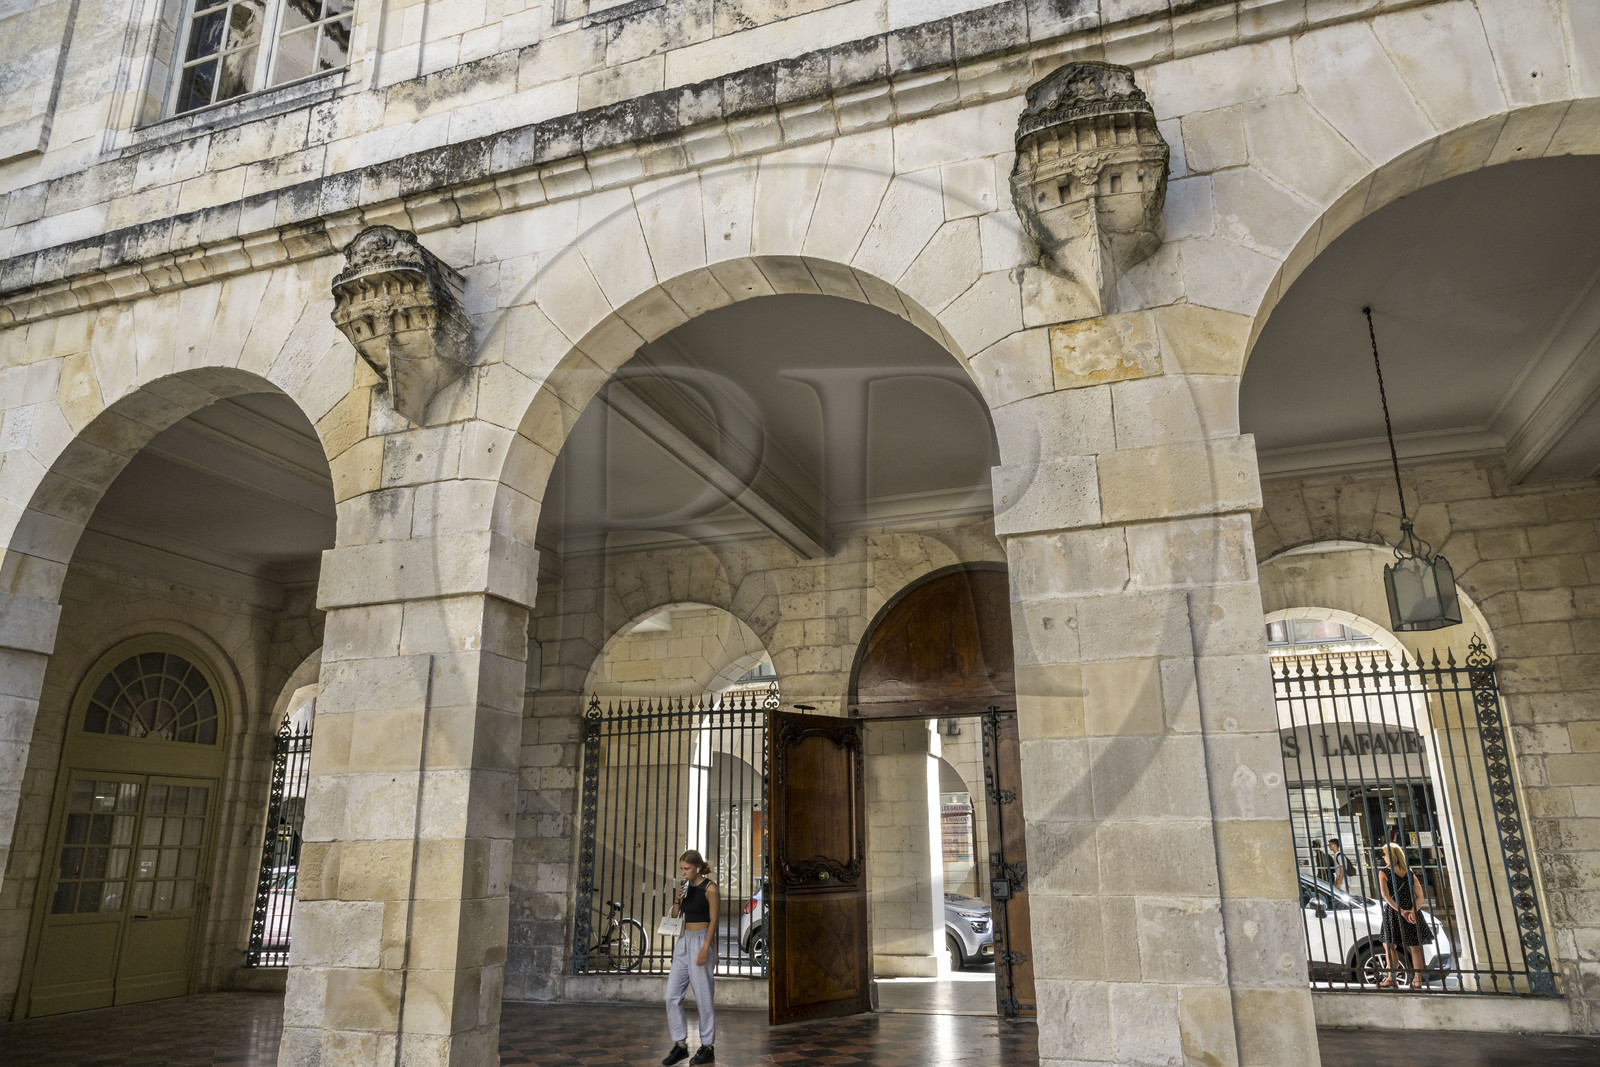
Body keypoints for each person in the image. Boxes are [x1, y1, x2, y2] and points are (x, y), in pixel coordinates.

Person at [662, 849, 719, 1065]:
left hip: (702, 940)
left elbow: (714, 920)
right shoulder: (684, 887)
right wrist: (677, 900)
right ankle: (680, 1045)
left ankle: (708, 1047)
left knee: (703, 998)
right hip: (684, 942)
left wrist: (705, 948)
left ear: (697, 867)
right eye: (681, 869)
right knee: (671, 996)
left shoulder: (710, 888)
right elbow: (675, 916)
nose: (683, 872)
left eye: (686, 868)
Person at [1375, 843, 1428, 990]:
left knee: (1389, 945)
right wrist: (1412, 911)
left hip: (1394, 911)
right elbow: (1420, 896)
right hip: (1412, 911)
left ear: (1390, 856)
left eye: (1385, 854)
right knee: (1415, 947)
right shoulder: (1409, 872)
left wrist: (1401, 910)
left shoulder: (1384, 872)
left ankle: (1392, 978)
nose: (1383, 857)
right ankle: (1417, 981)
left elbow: (1386, 896)